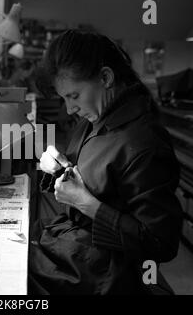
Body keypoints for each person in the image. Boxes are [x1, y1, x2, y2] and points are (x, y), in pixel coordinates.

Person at [29, 29, 183, 295]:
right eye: (64, 98)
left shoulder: (144, 144)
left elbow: (161, 243)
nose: (69, 109)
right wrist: (57, 170)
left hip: (105, 273)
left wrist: (86, 204)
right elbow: (89, 180)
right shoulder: (94, 119)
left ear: (105, 77)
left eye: (73, 96)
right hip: (75, 247)